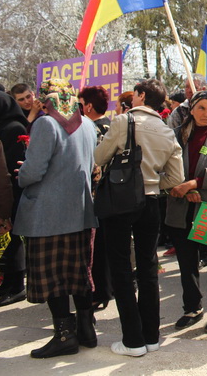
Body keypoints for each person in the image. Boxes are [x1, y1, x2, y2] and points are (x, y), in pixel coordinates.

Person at [95, 79, 184, 357]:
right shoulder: (166, 130)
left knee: (122, 269)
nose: (132, 98)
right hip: (151, 201)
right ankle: (151, 336)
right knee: (148, 268)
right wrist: (154, 181)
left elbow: (99, 156)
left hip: (120, 200)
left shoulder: (123, 122)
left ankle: (132, 340)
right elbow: (177, 177)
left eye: (135, 94)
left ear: (141, 96)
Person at [13, 79, 98, 358]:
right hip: (80, 211)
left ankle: (64, 336)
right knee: (78, 273)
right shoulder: (87, 124)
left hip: (48, 214)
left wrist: (22, 173)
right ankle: (86, 330)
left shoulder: (46, 124)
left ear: (45, 99)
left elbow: (34, 170)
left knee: (53, 277)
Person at [166, 91, 207, 333]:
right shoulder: (176, 135)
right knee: (186, 263)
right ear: (191, 110)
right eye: (202, 108)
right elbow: (164, 170)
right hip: (180, 207)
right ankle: (192, 307)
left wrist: (194, 184)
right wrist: (183, 190)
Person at [77, 86, 113, 310]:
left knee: (97, 246)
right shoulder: (114, 125)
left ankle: (100, 290)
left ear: (88, 106)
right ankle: (109, 287)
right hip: (113, 192)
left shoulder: (89, 128)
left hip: (96, 192)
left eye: (80, 105)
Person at [0, 92, 29, 307]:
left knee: (13, 238)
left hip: (13, 189)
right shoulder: (5, 126)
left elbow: (12, 164)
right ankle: (8, 282)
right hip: (6, 188)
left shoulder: (15, 128)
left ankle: (16, 285)